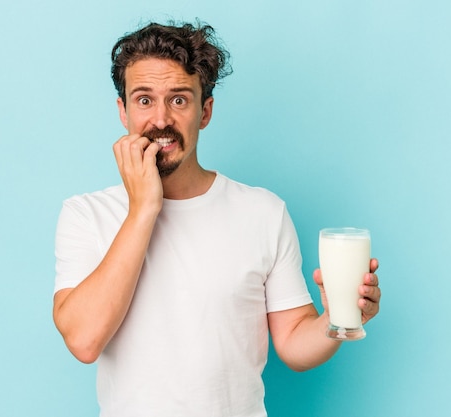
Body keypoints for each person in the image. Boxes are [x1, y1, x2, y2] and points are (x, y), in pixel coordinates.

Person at [53, 21, 381, 417]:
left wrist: (335, 318)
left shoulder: (263, 212)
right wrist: (143, 208)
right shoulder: (86, 215)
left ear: (204, 111)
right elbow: (84, 341)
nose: (160, 120)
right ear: (123, 111)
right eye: (143, 100)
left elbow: (294, 342)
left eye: (178, 100)